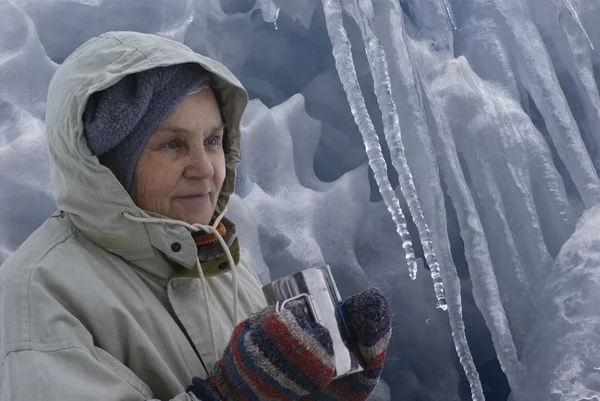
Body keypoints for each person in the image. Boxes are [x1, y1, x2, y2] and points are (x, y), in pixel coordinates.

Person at [0, 31, 391, 400]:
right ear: (110, 166)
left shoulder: (211, 256)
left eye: (212, 140)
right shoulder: (41, 294)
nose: (205, 168)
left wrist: (317, 390)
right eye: (172, 144)